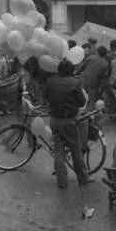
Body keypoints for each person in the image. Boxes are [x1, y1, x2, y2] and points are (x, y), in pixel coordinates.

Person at [44, 60, 92, 189]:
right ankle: (82, 178)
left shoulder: (50, 81)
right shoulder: (75, 82)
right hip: (68, 120)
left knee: (58, 151)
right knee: (75, 150)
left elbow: (47, 97)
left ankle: (62, 182)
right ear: (71, 70)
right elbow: (82, 102)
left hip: (54, 119)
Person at [79, 46, 110, 110]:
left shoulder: (91, 57)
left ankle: (79, 111)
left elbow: (82, 67)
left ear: (98, 52)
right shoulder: (105, 63)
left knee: (80, 96)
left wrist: (76, 72)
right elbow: (101, 75)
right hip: (93, 82)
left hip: (83, 79)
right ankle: (89, 114)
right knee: (91, 99)